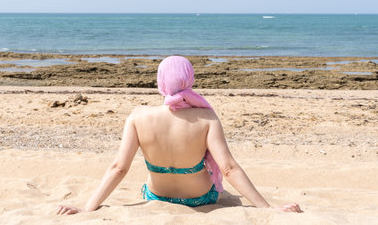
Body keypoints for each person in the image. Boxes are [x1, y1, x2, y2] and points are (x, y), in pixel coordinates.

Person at [56, 56, 302, 214]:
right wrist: (268, 209)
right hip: (202, 200)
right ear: (190, 79)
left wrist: (88, 209)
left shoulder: (138, 116)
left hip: (156, 196)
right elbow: (228, 169)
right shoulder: (206, 117)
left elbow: (119, 168)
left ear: (160, 82)